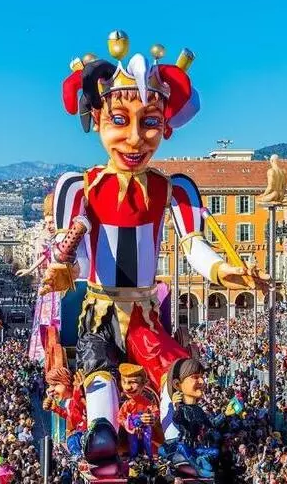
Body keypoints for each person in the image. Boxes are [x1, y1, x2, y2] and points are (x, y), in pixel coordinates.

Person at [40, 32, 269, 470]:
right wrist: (62, 266)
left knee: (173, 370)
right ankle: (101, 430)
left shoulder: (173, 188)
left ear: (165, 126)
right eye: (119, 120)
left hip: (143, 312)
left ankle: (175, 444)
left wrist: (223, 271)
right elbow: (70, 248)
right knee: (97, 364)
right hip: (101, 307)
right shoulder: (80, 186)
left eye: (148, 123)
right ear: (98, 119)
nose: (135, 139)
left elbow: (193, 244)